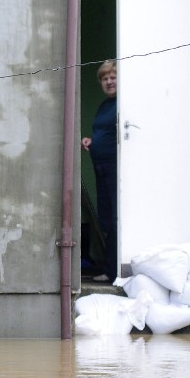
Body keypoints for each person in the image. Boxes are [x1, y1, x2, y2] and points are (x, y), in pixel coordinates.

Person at [81, 60, 118, 283]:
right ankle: (109, 268)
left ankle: (115, 272)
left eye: (112, 77)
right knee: (105, 219)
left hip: (116, 169)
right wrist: (91, 141)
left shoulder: (126, 103)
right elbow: (104, 133)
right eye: (104, 79)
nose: (109, 82)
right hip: (101, 168)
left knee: (114, 219)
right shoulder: (105, 106)